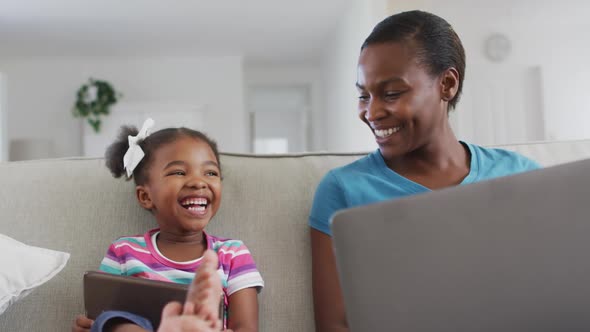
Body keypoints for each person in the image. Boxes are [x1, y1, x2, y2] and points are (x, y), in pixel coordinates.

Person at [309, 10, 541, 331]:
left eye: (391, 93)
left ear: (446, 84)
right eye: (363, 95)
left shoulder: (524, 176)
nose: (371, 112)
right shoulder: (343, 189)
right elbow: (335, 325)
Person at [73, 119, 264, 332]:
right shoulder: (124, 251)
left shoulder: (232, 254)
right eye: (179, 172)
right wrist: (94, 327)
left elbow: (246, 328)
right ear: (145, 197)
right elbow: (103, 313)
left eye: (210, 173)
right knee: (117, 322)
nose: (198, 182)